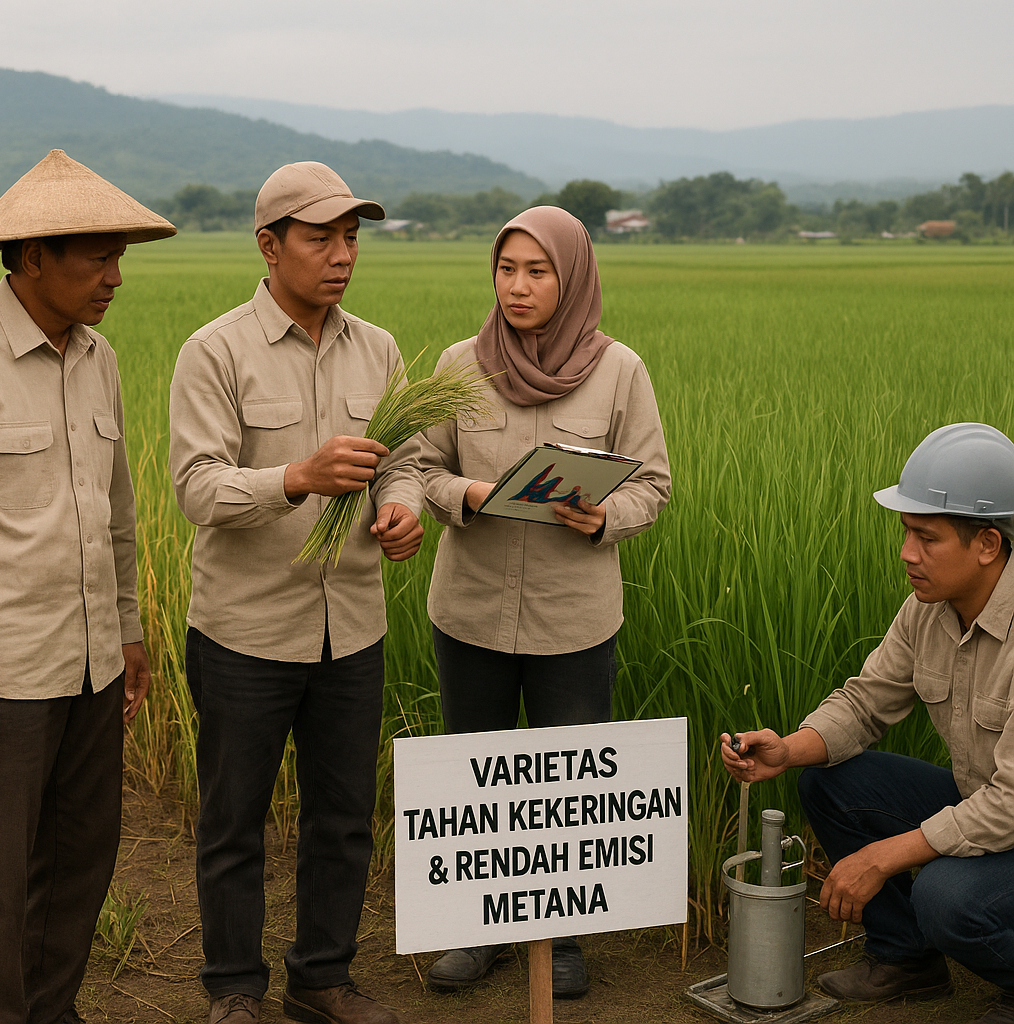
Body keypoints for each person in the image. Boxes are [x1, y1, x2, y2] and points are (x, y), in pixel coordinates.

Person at [169, 161, 424, 1024]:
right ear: (270, 246)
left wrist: (399, 511)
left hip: (350, 625)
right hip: (244, 632)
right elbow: (198, 489)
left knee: (344, 816)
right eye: (321, 237)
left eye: (351, 237)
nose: (342, 254)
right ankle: (234, 990)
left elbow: (410, 463)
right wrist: (296, 477)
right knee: (233, 821)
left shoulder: (379, 348)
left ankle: (321, 979)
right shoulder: (215, 350)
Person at [420, 206, 671, 998]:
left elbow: (655, 486)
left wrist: (605, 517)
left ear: (573, 276)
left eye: (537, 271)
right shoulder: (460, 363)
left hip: (574, 618)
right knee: (478, 775)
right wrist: (472, 492)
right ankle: (477, 933)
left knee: (567, 783)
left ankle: (561, 940)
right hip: (471, 610)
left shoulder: (619, 369)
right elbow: (422, 468)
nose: (518, 286)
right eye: (505, 270)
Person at [721, 422, 1014, 1024]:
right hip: (979, 804)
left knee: (946, 898)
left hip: (1006, 814)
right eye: (906, 533)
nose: (907, 553)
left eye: (926, 538)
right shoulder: (928, 609)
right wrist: (786, 750)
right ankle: (909, 961)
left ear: (987, 543)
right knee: (828, 780)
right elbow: (865, 702)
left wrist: (883, 858)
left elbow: (1010, 805)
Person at [0, 150, 175, 1024]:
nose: (114, 278)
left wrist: (130, 627)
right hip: (9, 671)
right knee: (0, 873)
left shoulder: (98, 358)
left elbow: (118, 509)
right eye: (95, 258)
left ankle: (51, 1009)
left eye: (120, 259)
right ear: (30, 259)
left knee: (82, 854)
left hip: (97, 661)